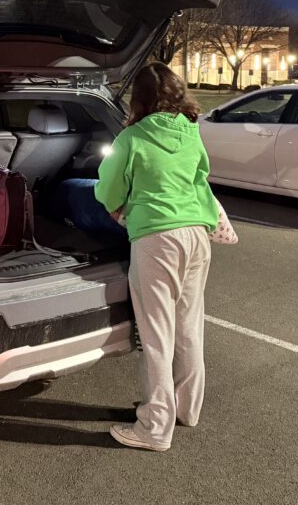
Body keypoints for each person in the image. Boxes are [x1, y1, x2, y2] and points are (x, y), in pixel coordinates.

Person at [95, 62, 218, 452]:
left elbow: (109, 186)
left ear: (140, 98)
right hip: (196, 236)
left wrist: (115, 206)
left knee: (156, 335)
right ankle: (186, 409)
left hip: (157, 239)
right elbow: (201, 179)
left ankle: (154, 428)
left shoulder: (132, 137)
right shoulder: (191, 131)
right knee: (188, 326)